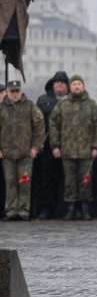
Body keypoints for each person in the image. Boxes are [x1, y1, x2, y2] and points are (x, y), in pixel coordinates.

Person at [49, 75, 97, 221]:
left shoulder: (92, 105)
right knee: (69, 182)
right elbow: (53, 125)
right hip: (67, 150)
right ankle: (71, 209)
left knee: (86, 180)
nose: (77, 86)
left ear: (83, 86)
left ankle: (85, 209)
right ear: (69, 87)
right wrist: (55, 145)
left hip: (86, 151)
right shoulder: (62, 105)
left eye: (79, 84)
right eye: (74, 84)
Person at [0, 80, 45, 221]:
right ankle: (11, 210)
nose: (15, 94)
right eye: (12, 91)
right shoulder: (1, 108)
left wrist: (36, 146)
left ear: (20, 91)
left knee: (25, 183)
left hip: (26, 152)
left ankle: (24, 211)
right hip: (7, 152)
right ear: (7, 92)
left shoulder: (30, 106)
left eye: (17, 91)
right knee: (10, 182)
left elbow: (39, 127)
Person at [33, 71, 68, 220]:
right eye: (56, 82)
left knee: (68, 180)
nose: (59, 84)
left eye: (62, 82)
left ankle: (66, 210)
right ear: (52, 85)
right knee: (47, 180)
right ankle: (47, 208)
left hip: (69, 146)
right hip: (47, 147)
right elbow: (36, 124)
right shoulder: (42, 100)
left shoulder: (73, 101)